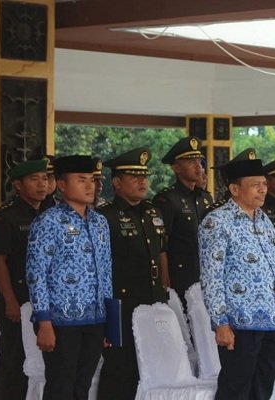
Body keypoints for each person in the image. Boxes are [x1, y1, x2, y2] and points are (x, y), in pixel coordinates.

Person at [26, 155, 113, 400]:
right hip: (60, 322)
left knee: (82, 388)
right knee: (60, 388)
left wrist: (109, 321)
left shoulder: (100, 222)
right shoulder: (48, 222)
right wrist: (43, 322)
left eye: (93, 181)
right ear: (62, 185)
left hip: (95, 320)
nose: (90, 186)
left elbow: (105, 273)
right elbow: (36, 274)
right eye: (81, 180)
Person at [198, 158, 275, 400]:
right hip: (239, 324)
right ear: (234, 189)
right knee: (235, 391)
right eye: (255, 184)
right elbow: (211, 276)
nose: (263, 189)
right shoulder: (216, 221)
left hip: (271, 323)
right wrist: (220, 322)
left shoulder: (265, 220)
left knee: (262, 391)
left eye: (264, 184)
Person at [97, 148, 169, 400]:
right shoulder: (104, 217)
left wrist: (164, 290)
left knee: (151, 366)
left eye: (144, 177)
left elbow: (161, 254)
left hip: (152, 298)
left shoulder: (151, 213)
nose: (142, 182)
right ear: (116, 183)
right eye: (134, 177)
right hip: (122, 302)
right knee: (120, 369)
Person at [0, 159, 49, 399]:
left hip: (45, 301)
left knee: (43, 364)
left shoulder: (51, 213)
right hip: (17, 298)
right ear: (18, 184)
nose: (42, 184)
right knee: (14, 363)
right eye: (34, 179)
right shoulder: (5, 217)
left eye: (44, 178)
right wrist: (10, 300)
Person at [154, 136, 213, 299]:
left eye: (199, 160)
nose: (198, 166)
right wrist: (164, 277)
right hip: (180, 276)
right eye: (190, 161)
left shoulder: (206, 198)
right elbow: (161, 244)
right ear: (176, 168)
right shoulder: (167, 199)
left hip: (205, 275)